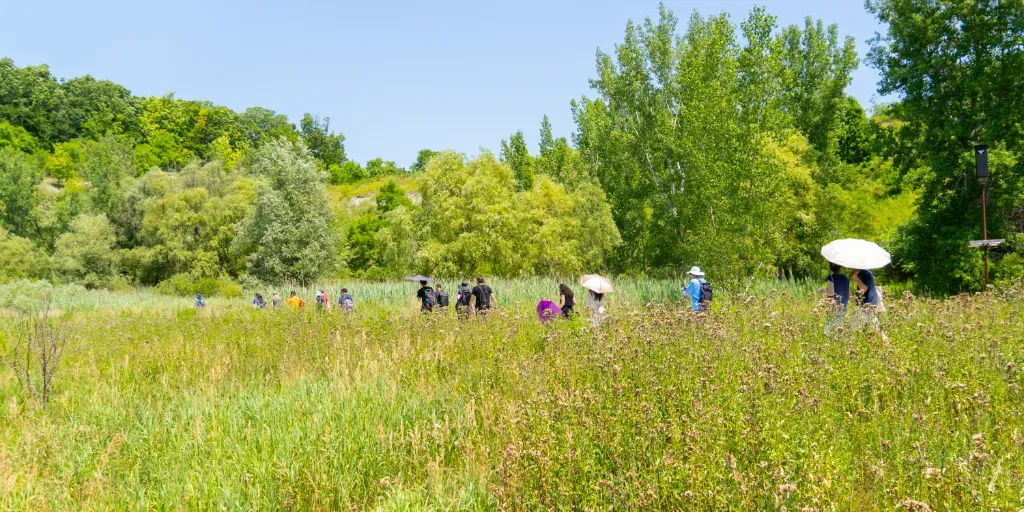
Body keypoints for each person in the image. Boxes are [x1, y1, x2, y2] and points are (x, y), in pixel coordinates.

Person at [851, 268, 888, 341]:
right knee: (856, 327)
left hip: (868, 305)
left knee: (875, 329)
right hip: (863, 305)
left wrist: (856, 278)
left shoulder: (865, 273)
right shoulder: (862, 273)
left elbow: (863, 289)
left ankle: (886, 344)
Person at [819, 262, 850, 336]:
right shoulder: (845, 278)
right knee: (840, 326)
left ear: (830, 267)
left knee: (830, 328)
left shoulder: (830, 277)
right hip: (844, 305)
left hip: (834, 305)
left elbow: (831, 293)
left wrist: (823, 292)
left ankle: (832, 341)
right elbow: (850, 295)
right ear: (840, 267)